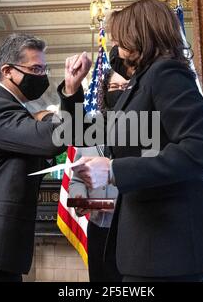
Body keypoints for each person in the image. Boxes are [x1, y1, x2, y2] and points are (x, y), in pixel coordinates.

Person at [73, 0, 203, 282]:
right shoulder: (142, 81)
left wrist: (114, 170)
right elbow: (103, 136)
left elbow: (201, 150)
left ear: (138, 38)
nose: (115, 48)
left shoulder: (166, 73)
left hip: (172, 244)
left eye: (120, 40)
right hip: (150, 241)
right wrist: (73, 90)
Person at [0, 33, 91, 282]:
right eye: (35, 69)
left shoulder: (16, 110)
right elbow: (52, 140)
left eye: (44, 68)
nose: (42, 76)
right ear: (8, 71)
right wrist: (70, 91)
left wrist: (46, 118)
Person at [68, 57, 130, 282]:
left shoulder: (144, 125)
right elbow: (77, 179)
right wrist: (79, 199)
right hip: (98, 228)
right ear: (104, 92)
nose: (119, 91)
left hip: (129, 229)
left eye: (125, 87)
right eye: (114, 87)